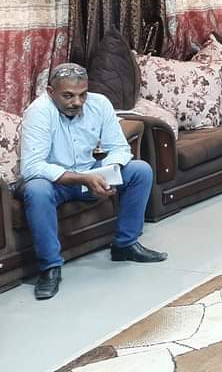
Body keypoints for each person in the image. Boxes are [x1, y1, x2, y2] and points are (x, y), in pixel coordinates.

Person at [19, 63, 167, 301]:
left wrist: (108, 175)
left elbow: (119, 148)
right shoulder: (39, 112)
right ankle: (50, 267)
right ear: (51, 92)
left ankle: (125, 245)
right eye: (68, 96)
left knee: (140, 171)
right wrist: (84, 179)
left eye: (82, 94)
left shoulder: (99, 104)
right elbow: (32, 167)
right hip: (57, 183)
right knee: (36, 190)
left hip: (90, 173)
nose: (77, 102)